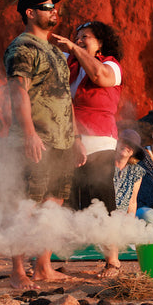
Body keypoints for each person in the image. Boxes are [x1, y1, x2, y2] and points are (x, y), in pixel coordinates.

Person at [3, 0, 85, 290]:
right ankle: (18, 271)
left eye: (54, 6)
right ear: (30, 13)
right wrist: (29, 133)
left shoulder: (53, 50)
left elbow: (65, 98)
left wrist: (75, 138)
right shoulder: (22, 48)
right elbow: (18, 91)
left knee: (54, 202)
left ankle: (43, 267)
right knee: (25, 205)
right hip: (37, 139)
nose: (54, 11)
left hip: (62, 140)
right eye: (47, 6)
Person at [53, 21, 123, 214]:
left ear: (100, 43)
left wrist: (75, 48)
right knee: (70, 204)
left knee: (101, 204)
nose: (79, 40)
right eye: (77, 37)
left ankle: (110, 243)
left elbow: (99, 75)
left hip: (99, 143)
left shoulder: (111, 65)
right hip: (69, 140)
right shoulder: (70, 63)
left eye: (85, 37)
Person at [99, 129, 145, 278]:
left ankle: (112, 263)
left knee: (118, 219)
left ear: (134, 152)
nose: (126, 146)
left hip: (121, 213)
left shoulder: (136, 171)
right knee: (109, 218)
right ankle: (114, 263)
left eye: (131, 145)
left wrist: (130, 220)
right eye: (124, 142)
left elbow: (133, 200)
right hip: (102, 209)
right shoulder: (103, 164)